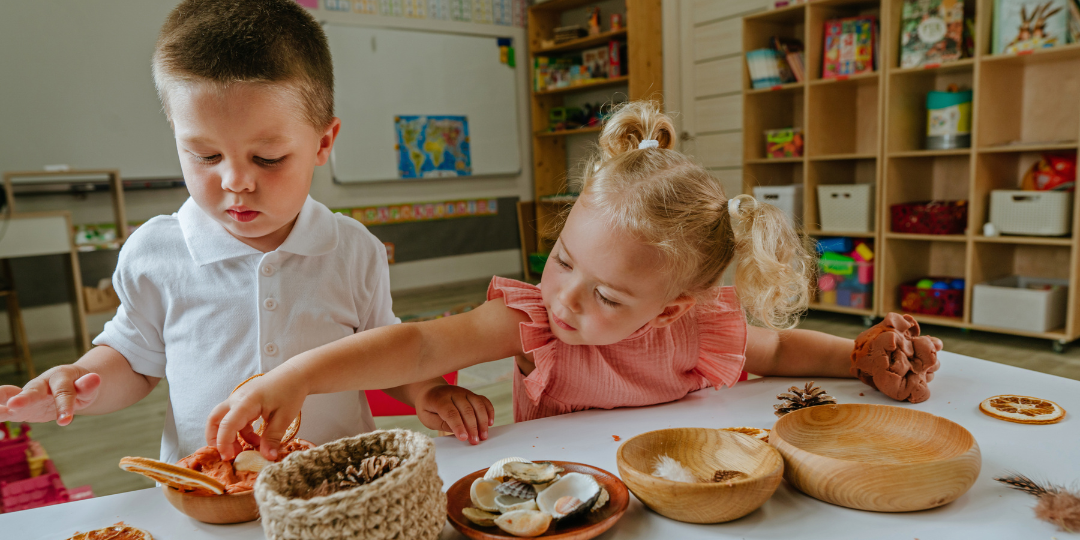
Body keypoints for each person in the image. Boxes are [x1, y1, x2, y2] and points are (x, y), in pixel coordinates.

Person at [207, 101, 943, 462]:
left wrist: (854, 355)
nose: (565, 298)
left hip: (670, 484)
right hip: (557, 495)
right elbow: (418, 345)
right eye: (562, 259)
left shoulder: (701, 325)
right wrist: (298, 375)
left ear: (673, 308)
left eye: (609, 297)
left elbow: (779, 351)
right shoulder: (531, 321)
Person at [0, 0, 493, 464]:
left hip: (337, 486)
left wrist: (426, 390)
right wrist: (78, 383)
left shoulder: (352, 249)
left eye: (268, 158)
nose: (235, 180)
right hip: (212, 490)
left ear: (323, 142)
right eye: (205, 156)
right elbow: (133, 361)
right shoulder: (156, 252)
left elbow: (384, 351)